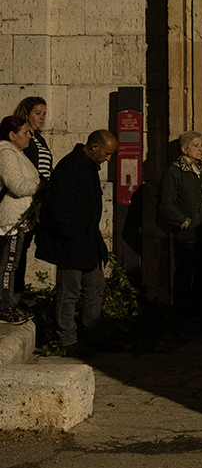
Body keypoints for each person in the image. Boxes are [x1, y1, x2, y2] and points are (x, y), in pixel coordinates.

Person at [35, 129, 118, 354]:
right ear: (93, 147)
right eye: (107, 153)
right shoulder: (69, 167)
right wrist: (74, 236)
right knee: (69, 291)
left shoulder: (89, 166)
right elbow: (60, 211)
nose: (108, 159)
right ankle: (67, 339)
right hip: (70, 242)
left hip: (88, 239)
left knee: (95, 286)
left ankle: (93, 332)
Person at [159, 130, 202, 325]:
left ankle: (199, 315)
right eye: (195, 146)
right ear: (184, 148)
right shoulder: (174, 172)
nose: (200, 149)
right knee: (185, 276)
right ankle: (182, 317)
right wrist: (185, 222)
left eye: (201, 145)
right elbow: (167, 204)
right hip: (188, 237)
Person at [0, 116, 40, 324]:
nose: (30, 136)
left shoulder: (15, 152)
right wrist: (40, 185)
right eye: (25, 133)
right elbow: (17, 186)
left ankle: (7, 305)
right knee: (8, 265)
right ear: (12, 135)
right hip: (11, 221)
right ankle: (4, 307)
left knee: (11, 263)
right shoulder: (6, 152)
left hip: (17, 220)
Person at [12, 96, 51, 293]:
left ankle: (17, 292)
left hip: (38, 199)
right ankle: (13, 293)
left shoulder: (39, 138)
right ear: (26, 114)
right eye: (38, 113)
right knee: (16, 249)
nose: (42, 117)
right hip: (25, 200)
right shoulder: (20, 137)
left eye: (44, 114)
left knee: (24, 247)